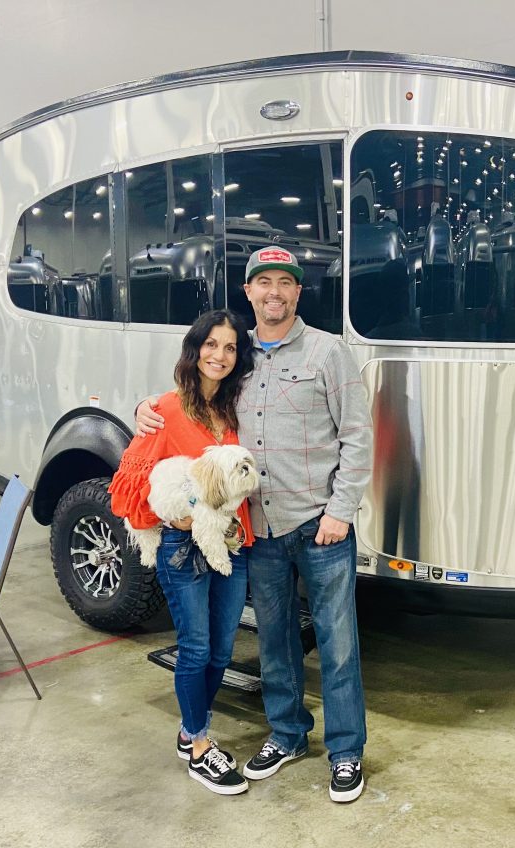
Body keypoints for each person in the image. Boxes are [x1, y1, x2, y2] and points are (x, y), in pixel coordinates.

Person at [137, 246, 373, 803]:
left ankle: (346, 752)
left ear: (298, 292)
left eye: (284, 283)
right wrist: (148, 406)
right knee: (275, 641)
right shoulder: (237, 357)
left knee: (338, 643)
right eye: (263, 282)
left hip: (319, 525)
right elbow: (193, 399)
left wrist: (340, 512)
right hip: (257, 530)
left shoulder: (328, 352)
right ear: (248, 291)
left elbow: (358, 437)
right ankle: (287, 734)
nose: (274, 292)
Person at [111, 310, 255, 796]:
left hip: (234, 543)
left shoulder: (234, 410)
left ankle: (192, 727)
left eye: (230, 347)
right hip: (183, 550)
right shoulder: (166, 410)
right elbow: (127, 484)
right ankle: (199, 747)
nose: (220, 355)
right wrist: (172, 516)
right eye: (211, 344)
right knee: (195, 647)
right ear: (194, 350)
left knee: (222, 648)